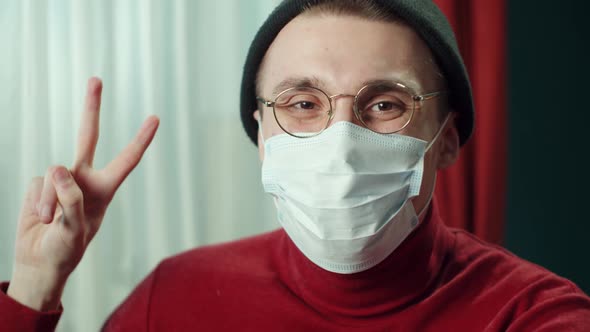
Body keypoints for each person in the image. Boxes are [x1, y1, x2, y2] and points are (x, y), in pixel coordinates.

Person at [2, 0, 589, 331]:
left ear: (448, 138)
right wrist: (33, 287)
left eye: (385, 103)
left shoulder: (529, 315)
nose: (341, 138)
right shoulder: (172, 300)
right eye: (302, 104)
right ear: (261, 135)